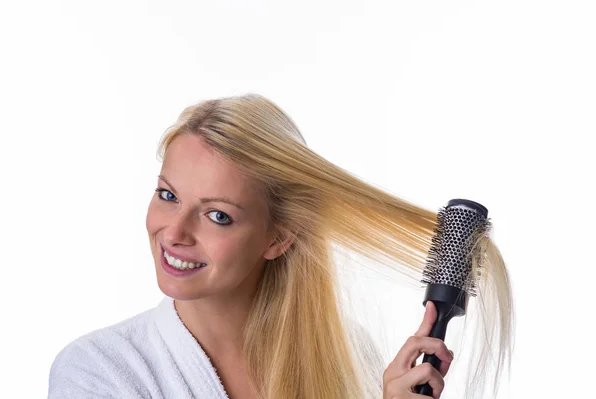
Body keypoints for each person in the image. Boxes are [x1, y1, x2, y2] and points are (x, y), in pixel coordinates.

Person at [48, 94, 512, 399]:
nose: (174, 232)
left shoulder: (350, 357)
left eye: (218, 215)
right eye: (168, 196)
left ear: (279, 237)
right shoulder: (98, 371)